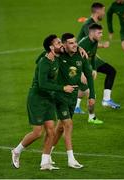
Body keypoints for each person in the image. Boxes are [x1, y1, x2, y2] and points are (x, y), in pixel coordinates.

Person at [11, 35, 76, 170]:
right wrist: (62, 88)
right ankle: (16, 151)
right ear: (52, 47)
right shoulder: (44, 63)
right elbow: (42, 84)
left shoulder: (56, 58)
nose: (61, 45)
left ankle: (45, 163)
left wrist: (79, 48)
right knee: (37, 133)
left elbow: (69, 48)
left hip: (49, 99)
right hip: (37, 99)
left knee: (51, 131)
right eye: (58, 43)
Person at [50, 33, 96, 168]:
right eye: (70, 43)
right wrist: (60, 49)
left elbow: (88, 75)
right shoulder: (59, 55)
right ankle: (71, 159)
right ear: (64, 45)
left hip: (72, 97)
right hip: (60, 96)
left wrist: (92, 96)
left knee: (59, 128)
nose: (74, 45)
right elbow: (49, 51)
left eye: (75, 42)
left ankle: (47, 153)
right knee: (68, 125)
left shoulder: (81, 56)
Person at [75, 2, 120, 114]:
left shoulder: (92, 23)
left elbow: (92, 44)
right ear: (98, 11)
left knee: (86, 82)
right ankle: (104, 101)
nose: (104, 13)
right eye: (103, 11)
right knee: (109, 72)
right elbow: (87, 41)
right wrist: (103, 45)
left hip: (89, 55)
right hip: (82, 57)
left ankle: (77, 106)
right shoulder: (89, 25)